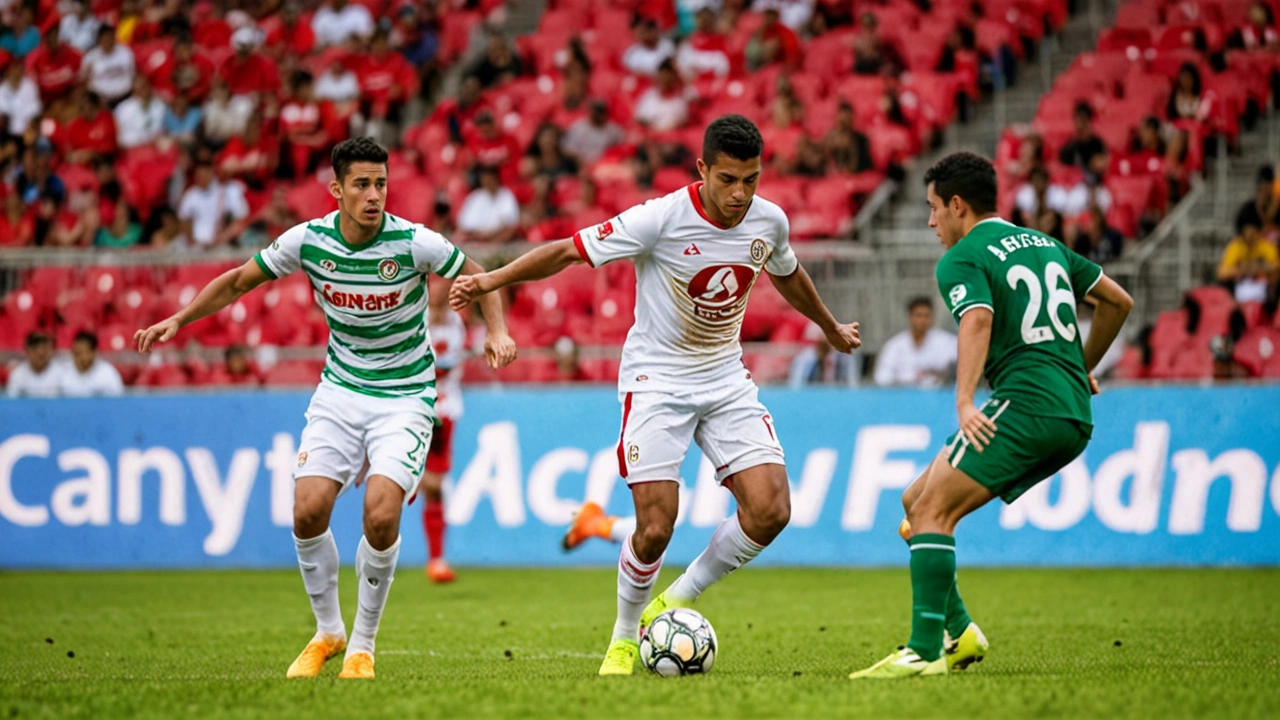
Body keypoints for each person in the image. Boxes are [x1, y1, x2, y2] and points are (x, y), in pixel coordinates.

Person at [450, 115, 861, 676]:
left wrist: (829, 325)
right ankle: (623, 638)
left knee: (771, 510)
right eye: (728, 180)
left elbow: (785, 272)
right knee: (656, 525)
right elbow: (568, 251)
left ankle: (676, 599)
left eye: (751, 179)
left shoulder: (769, 221)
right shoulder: (659, 218)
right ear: (702, 170)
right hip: (656, 383)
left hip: (724, 378)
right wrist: (491, 281)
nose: (740, 194)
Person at [133, 137, 517, 680]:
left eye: (381, 184)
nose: (373, 195)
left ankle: (362, 645)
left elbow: (477, 273)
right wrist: (180, 318)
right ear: (336, 189)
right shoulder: (307, 241)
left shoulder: (412, 242)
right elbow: (241, 280)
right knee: (308, 510)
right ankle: (327, 632)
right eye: (361, 184)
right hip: (339, 391)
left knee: (381, 514)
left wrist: (496, 330)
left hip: (406, 395)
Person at [849, 151, 1133, 680]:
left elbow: (977, 319)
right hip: (1070, 412)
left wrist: (963, 401)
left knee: (932, 512)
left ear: (957, 205)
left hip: (1027, 404)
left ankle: (923, 649)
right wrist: (1077, 368)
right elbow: (1118, 301)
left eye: (934, 209)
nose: (931, 222)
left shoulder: (961, 257)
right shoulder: (1045, 244)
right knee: (915, 503)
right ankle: (961, 634)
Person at [414, 282, 468, 584]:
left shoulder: (455, 323)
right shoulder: (414, 317)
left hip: (444, 410)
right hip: (414, 407)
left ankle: (436, 559)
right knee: (422, 482)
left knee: (434, 484)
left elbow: (448, 367)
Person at [873, 297, 957, 388]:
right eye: (919, 315)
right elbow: (881, 378)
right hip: (902, 396)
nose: (922, 320)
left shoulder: (947, 342)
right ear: (910, 317)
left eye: (927, 316)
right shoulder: (894, 345)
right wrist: (912, 379)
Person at [60, 330, 125, 397]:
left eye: (81, 353)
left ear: (93, 352)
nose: (78, 358)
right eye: (76, 353)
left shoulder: (108, 373)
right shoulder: (64, 373)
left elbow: (118, 401)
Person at [6, 331, 65, 398]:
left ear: (52, 350)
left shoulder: (62, 373)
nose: (40, 352)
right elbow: (12, 403)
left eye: (45, 348)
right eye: (35, 348)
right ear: (27, 351)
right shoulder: (18, 373)